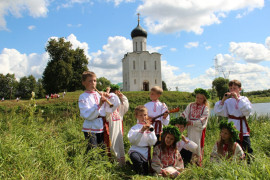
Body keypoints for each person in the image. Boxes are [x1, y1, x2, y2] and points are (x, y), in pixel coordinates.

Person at [214, 80, 253, 162]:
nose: (232, 90)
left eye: (234, 88)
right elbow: (219, 111)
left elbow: (247, 111)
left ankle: (249, 164)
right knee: (232, 147)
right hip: (231, 126)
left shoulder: (244, 99)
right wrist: (223, 100)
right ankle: (234, 163)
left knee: (246, 147)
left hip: (242, 127)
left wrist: (237, 99)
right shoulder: (228, 101)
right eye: (230, 88)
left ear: (240, 89)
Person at [78, 71, 110, 153]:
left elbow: (105, 110)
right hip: (90, 128)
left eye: (95, 81)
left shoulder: (98, 94)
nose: (93, 83)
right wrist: (99, 104)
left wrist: (109, 98)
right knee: (92, 151)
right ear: (83, 83)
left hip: (100, 126)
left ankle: (101, 165)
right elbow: (86, 114)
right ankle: (88, 165)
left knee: (102, 150)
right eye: (90, 81)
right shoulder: (83, 97)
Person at [181, 88, 210, 166]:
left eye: (201, 98)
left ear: (204, 99)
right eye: (197, 97)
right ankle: (187, 162)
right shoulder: (191, 105)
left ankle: (196, 163)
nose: (199, 99)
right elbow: (185, 113)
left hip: (198, 130)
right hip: (190, 129)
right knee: (189, 143)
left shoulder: (205, 108)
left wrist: (192, 122)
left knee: (197, 144)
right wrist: (181, 120)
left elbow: (203, 119)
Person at [128, 105, 157, 175]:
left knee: (146, 171)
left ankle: (132, 167)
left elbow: (153, 142)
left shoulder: (150, 127)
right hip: (136, 150)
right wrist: (141, 130)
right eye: (140, 115)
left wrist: (150, 132)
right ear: (136, 116)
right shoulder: (134, 128)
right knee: (136, 159)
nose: (143, 117)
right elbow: (133, 141)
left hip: (146, 151)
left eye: (145, 115)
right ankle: (138, 172)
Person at [105, 84, 129, 166]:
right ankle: (113, 162)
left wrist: (122, 96)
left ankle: (121, 163)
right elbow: (106, 110)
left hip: (118, 130)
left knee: (119, 144)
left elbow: (126, 105)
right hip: (111, 129)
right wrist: (107, 94)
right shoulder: (107, 109)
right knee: (112, 144)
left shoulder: (119, 108)